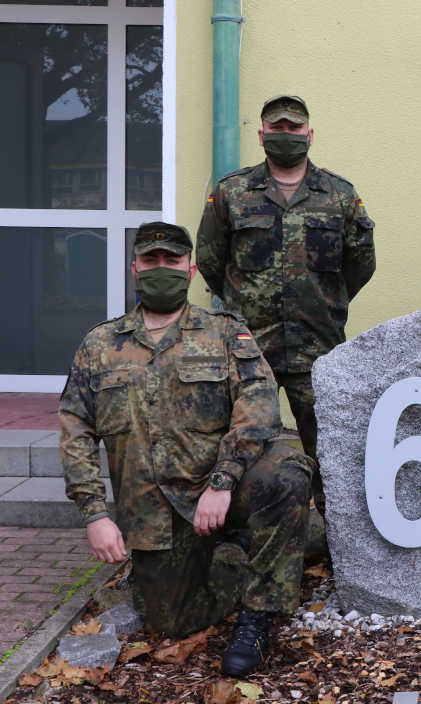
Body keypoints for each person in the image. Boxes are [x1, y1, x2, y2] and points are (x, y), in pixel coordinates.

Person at [61, 222, 312, 677]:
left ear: (190, 269)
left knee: (288, 473)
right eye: (152, 260)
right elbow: (75, 428)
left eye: (172, 260)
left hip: (221, 490)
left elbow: (259, 409)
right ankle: (249, 552)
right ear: (135, 268)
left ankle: (259, 612)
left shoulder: (224, 332)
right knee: (170, 621)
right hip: (155, 513)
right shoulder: (100, 344)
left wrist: (223, 480)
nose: (162, 268)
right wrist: (95, 515)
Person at [196, 94, 375, 516]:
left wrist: (326, 302)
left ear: (309, 134)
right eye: (277, 128)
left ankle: (336, 550)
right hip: (248, 349)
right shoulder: (233, 192)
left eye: (294, 128)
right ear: (262, 136)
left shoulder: (339, 195)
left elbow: (360, 264)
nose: (286, 135)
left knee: (329, 452)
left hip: (317, 347)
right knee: (237, 444)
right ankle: (242, 538)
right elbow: (209, 259)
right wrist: (244, 304)